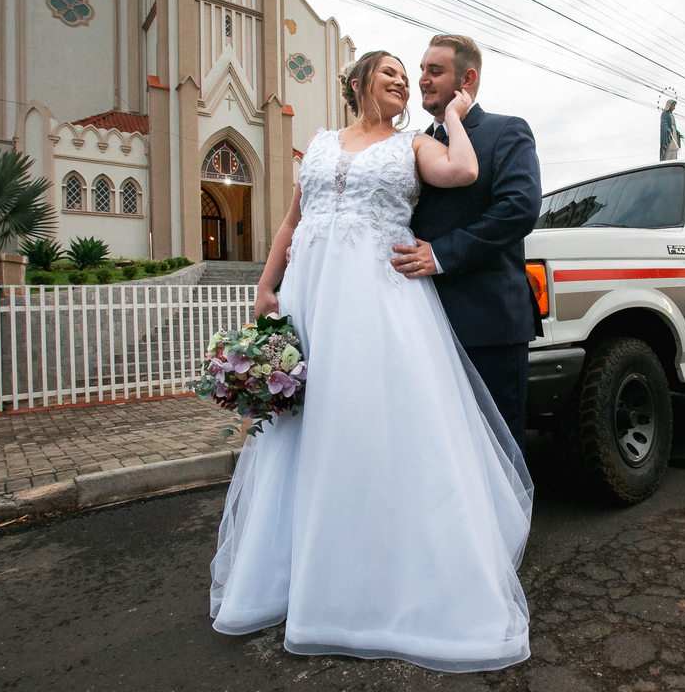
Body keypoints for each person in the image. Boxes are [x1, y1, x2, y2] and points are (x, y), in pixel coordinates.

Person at [210, 50, 533, 672]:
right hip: (311, 297)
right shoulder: (319, 143)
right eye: (391, 74)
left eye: (407, 79)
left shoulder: (415, 144)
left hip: (377, 301)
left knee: (369, 423)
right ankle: (295, 575)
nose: (403, 83)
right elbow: (291, 221)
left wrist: (457, 115)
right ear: (358, 82)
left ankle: (381, 580)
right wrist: (267, 285)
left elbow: (464, 171)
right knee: (305, 428)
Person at [390, 35, 543, 449]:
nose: (422, 79)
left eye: (435, 71)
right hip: (423, 322)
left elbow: (519, 208)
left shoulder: (505, 131)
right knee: (443, 448)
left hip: (487, 324)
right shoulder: (413, 145)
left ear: (467, 79)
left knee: (496, 447)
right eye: (422, 70)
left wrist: (441, 254)